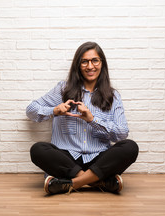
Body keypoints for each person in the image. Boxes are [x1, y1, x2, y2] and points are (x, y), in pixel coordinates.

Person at [26, 42, 139, 195]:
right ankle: (99, 182)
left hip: (99, 159)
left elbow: (122, 133)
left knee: (130, 147)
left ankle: (70, 183)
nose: (90, 66)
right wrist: (55, 110)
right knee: (38, 150)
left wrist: (92, 120)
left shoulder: (112, 96)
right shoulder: (62, 89)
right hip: (67, 159)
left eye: (95, 60)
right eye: (84, 61)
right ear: (78, 65)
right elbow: (31, 110)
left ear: (102, 64)